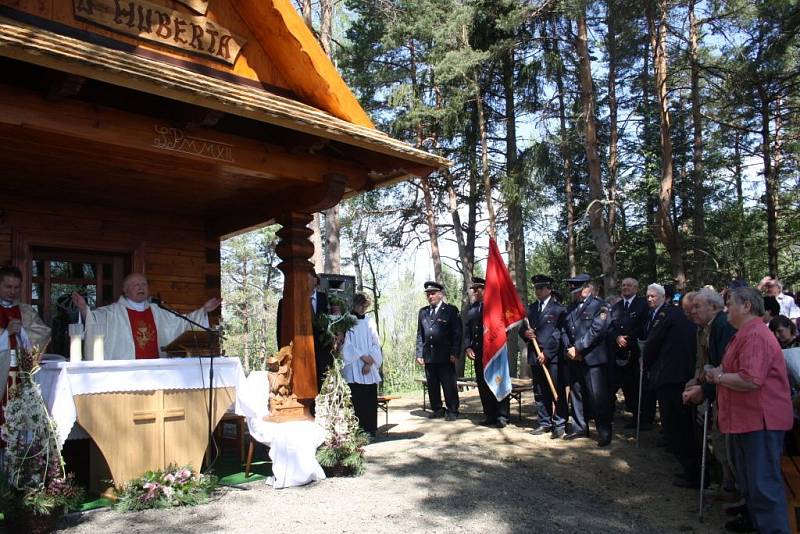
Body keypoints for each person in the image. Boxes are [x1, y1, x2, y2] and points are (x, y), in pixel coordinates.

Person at [705, 287, 793, 534]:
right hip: (747, 421)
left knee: (763, 487)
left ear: (746, 306)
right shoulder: (743, 334)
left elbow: (751, 379)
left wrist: (720, 377)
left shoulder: (754, 335)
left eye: (730, 303)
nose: (726, 309)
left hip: (760, 423)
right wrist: (718, 373)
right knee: (753, 486)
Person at [71, 273, 221, 360]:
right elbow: (94, 320)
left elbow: (181, 324)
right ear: (125, 290)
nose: (141, 287)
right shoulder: (112, 312)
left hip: (157, 370)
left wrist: (203, 311)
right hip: (127, 375)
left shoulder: (159, 312)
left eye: (144, 284)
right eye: (136, 285)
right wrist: (84, 309)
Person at [642, 283, 699, 488]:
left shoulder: (672, 315)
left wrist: (646, 363)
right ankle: (692, 469)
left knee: (677, 426)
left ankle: (693, 470)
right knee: (684, 426)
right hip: (687, 377)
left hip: (673, 376)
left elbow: (653, 343)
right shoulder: (691, 319)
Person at [562, 274, 612, 447]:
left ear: (588, 288)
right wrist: (569, 348)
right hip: (574, 358)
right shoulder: (571, 307)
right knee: (576, 394)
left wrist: (579, 348)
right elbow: (565, 330)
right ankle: (579, 427)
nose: (576, 294)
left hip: (593, 358)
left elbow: (597, 330)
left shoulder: (601, 306)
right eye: (574, 291)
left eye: (579, 289)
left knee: (597, 397)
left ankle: (604, 431)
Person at [520, 274, 568, 438]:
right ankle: (544, 422)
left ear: (549, 289)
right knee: (540, 392)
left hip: (552, 357)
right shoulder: (530, 309)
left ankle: (560, 423)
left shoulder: (559, 309)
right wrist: (526, 333)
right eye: (536, 288)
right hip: (535, 355)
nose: (538, 291)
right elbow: (522, 329)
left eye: (541, 288)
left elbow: (558, 334)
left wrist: (547, 353)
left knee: (557, 390)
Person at [465, 277, 510, 428]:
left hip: (494, 352)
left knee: (497, 381)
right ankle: (489, 414)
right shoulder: (472, 309)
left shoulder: (495, 306)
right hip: (478, 352)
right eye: (474, 290)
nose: (475, 292)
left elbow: (505, 327)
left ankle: (502, 415)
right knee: (483, 385)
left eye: (478, 289)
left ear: (486, 289)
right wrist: (468, 347)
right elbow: (467, 331)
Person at [277, 270, 330, 393]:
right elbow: (280, 330)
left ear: (315, 280)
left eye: (307, 279)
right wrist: (282, 354)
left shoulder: (326, 300)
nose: (303, 282)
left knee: (316, 390)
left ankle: (312, 411)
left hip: (321, 357)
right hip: (297, 357)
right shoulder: (286, 302)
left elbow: (332, 326)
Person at [415, 281, 462, 421]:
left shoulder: (451, 310)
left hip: (446, 355)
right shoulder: (423, 312)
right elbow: (420, 334)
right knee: (432, 384)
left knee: (449, 384)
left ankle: (452, 410)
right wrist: (419, 353)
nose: (430, 296)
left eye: (433, 293)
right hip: (429, 355)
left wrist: (455, 352)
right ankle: (437, 408)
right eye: (428, 294)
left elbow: (457, 333)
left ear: (440, 294)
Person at [607, 277, 649, 425]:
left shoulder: (643, 304)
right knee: (619, 385)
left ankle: (640, 418)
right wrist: (617, 337)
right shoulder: (616, 306)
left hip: (635, 352)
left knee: (635, 387)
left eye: (629, 285)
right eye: (623, 285)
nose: (625, 288)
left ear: (636, 288)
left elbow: (644, 325)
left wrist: (628, 338)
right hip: (618, 352)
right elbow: (610, 326)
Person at [341, 292, 382, 436]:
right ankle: (357, 430)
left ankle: (371, 429)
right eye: (362, 306)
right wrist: (363, 358)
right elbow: (347, 344)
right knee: (356, 399)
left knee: (369, 399)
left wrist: (370, 361)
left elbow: (375, 342)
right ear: (357, 304)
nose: (363, 309)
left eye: (366, 306)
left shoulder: (370, 321)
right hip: (354, 365)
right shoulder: (347, 320)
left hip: (368, 367)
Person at [0, 266, 51, 353]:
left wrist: (22, 332)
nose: (13, 291)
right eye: (8, 287)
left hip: (21, 365)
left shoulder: (27, 311)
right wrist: (6, 333)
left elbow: (43, 335)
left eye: (17, 287)